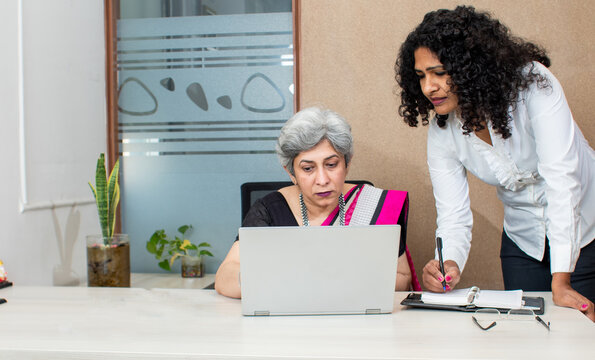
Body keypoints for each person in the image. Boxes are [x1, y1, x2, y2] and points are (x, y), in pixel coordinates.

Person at [394, 5, 594, 321]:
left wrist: (562, 278)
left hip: (586, 229)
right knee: (528, 336)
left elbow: (563, 181)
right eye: (421, 76)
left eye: (440, 72)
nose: (428, 87)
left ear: (471, 66)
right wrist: (449, 263)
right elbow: (453, 213)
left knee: (582, 335)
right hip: (523, 241)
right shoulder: (443, 130)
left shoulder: (533, 85)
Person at [215, 107, 417, 298]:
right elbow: (226, 276)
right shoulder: (269, 210)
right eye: (308, 168)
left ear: (347, 164)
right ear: (291, 173)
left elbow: (402, 278)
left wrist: (338, 287)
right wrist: (285, 285)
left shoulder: (377, 205)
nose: (322, 179)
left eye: (331, 164)